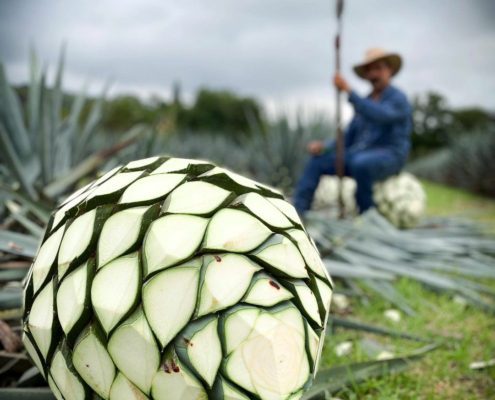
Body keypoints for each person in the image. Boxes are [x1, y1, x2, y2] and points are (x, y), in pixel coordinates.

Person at [293, 48, 413, 215]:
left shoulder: (398, 99)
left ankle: (368, 216)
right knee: (318, 161)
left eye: (378, 69)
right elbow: (348, 138)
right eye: (369, 70)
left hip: (390, 156)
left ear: (389, 70)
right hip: (360, 154)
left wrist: (349, 92)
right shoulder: (365, 102)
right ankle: (298, 213)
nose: (374, 74)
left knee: (361, 163)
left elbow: (380, 115)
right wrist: (325, 146)